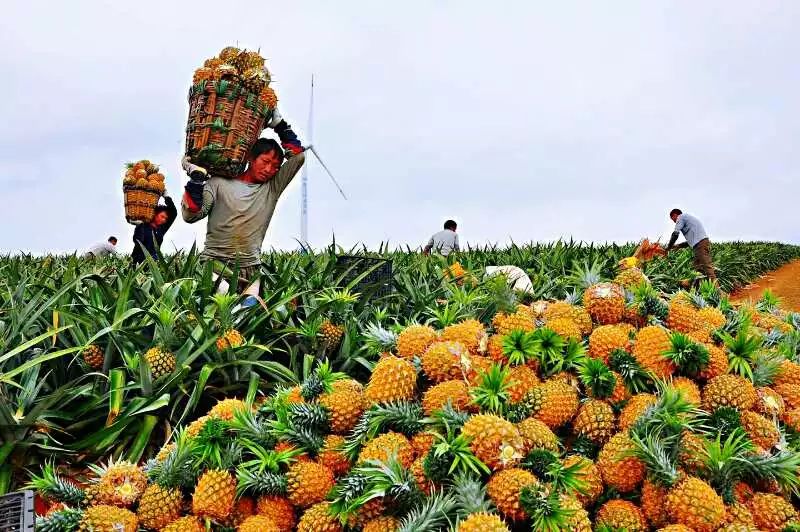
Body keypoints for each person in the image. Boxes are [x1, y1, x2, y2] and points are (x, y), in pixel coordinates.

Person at [181, 110, 304, 305]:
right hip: (214, 265)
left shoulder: (271, 187)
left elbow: (298, 158)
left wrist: (280, 126)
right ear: (250, 159)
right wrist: (196, 180)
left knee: (248, 313)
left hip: (250, 268)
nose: (269, 169)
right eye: (265, 161)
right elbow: (192, 214)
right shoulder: (218, 183)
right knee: (221, 307)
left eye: (275, 166)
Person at [666, 208, 716, 282]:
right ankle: (699, 289)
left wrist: (669, 247)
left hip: (700, 245)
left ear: (675, 215)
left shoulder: (681, 217)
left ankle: (718, 292)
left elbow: (675, 234)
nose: (674, 222)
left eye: (673, 219)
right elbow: (691, 241)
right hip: (699, 245)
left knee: (707, 268)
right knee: (698, 271)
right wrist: (678, 246)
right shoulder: (688, 219)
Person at [132, 196, 177, 264]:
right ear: (155, 214)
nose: (164, 220)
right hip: (138, 262)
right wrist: (140, 225)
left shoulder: (161, 229)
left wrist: (166, 197)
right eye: (162, 216)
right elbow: (138, 241)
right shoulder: (143, 225)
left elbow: (173, 213)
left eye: (165, 218)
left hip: (154, 262)